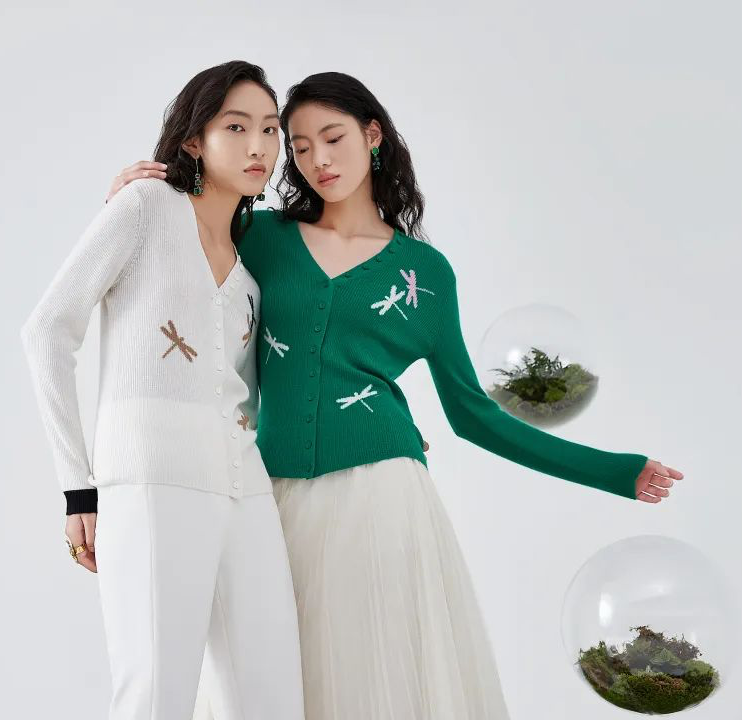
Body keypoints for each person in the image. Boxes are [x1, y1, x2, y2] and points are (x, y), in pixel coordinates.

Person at [104, 71, 684, 720]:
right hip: (267, 499)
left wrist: (616, 471)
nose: (318, 160)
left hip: (381, 499)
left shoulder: (424, 274)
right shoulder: (261, 236)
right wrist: (139, 194)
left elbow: (474, 416)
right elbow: (179, 240)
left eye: (333, 138)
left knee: (374, 683)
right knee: (268, 688)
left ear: (372, 136)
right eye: (300, 146)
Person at [20, 60, 304, 720]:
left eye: (270, 129)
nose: (260, 146)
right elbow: (47, 332)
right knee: (155, 696)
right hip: (152, 479)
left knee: (273, 697)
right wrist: (77, 487)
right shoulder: (145, 207)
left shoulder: (252, 261)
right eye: (237, 127)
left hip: (246, 485)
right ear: (193, 139)